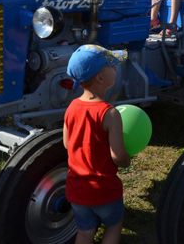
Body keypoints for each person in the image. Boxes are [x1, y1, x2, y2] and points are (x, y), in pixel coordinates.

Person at [64, 44, 130, 244]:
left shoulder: (72, 107)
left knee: (85, 232)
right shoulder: (109, 113)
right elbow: (118, 157)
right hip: (104, 189)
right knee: (114, 225)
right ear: (101, 78)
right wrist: (127, 160)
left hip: (76, 189)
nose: (116, 69)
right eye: (113, 66)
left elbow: (67, 144)